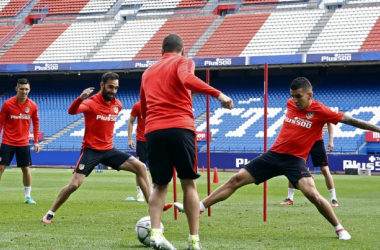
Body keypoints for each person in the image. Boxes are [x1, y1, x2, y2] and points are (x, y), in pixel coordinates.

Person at [175, 77, 380, 241]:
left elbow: (352, 120)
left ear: (310, 94)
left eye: (299, 96)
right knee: (235, 180)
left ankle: (339, 228)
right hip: (273, 155)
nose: (295, 100)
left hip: (294, 160)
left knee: (312, 194)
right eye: (293, 96)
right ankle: (199, 206)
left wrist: (378, 129)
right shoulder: (290, 103)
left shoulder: (321, 111)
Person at [140, 33, 233, 250]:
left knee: (159, 185)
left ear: (161, 52)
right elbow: (187, 79)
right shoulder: (184, 61)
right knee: (188, 184)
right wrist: (219, 95)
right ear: (183, 50)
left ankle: (155, 233)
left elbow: (143, 108)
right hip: (180, 128)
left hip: (153, 130)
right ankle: (193, 240)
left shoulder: (147, 72)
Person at [42, 72, 152, 223]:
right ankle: (50, 212)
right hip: (91, 150)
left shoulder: (118, 105)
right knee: (74, 185)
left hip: (109, 150)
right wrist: (81, 98)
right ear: (102, 85)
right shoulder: (91, 102)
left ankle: (153, 208)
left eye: (116, 88)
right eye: (110, 87)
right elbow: (71, 111)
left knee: (140, 167)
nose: (113, 90)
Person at [0, 78, 40, 204]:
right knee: (1, 167)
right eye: (21, 89)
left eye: (26, 89)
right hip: (7, 141)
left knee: (26, 169)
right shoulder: (7, 104)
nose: (24, 91)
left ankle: (28, 196)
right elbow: (0, 122)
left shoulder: (32, 105)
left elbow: (36, 123)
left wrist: (36, 141)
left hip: (23, 143)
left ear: (29, 89)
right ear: (16, 89)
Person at [281, 123, 340, 207]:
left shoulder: (321, 110)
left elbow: (329, 123)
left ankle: (334, 199)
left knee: (325, 170)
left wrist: (331, 140)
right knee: (294, 166)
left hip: (317, 143)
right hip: (304, 142)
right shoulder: (303, 111)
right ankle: (290, 198)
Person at [128, 100, 148, 202]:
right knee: (139, 167)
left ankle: (153, 190)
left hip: (154, 139)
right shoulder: (137, 105)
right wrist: (130, 139)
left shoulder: (156, 102)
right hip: (141, 141)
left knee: (156, 167)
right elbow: (131, 121)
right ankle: (140, 192)